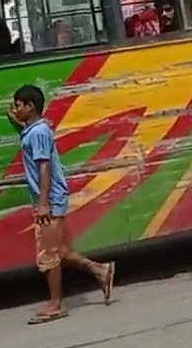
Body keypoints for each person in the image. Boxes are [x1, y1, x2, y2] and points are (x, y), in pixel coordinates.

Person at [9, 84, 115, 324]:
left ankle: (56, 304)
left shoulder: (38, 133)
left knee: (50, 254)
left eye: (18, 106)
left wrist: (43, 204)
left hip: (49, 199)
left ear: (30, 107)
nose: (15, 110)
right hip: (49, 198)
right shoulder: (35, 130)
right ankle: (101, 270)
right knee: (60, 249)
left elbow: (44, 168)